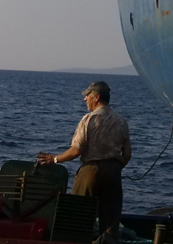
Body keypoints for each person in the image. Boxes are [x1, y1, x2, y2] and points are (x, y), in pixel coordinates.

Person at [37, 81, 131, 242]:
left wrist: (54, 159)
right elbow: (127, 154)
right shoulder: (121, 121)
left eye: (88, 95)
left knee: (79, 216)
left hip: (91, 172)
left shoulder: (89, 119)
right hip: (113, 173)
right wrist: (114, 167)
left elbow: (76, 150)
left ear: (97, 97)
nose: (85, 99)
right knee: (110, 223)